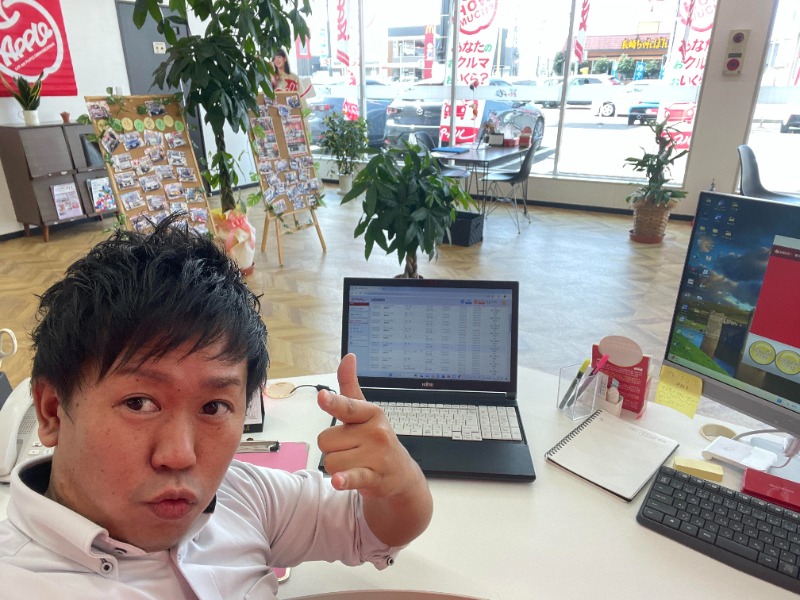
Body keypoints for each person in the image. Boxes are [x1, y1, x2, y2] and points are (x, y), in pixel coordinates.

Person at [0, 216, 433, 598]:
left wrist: (398, 479)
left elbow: (372, 527)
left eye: (213, 407)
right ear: (52, 410)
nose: (180, 455)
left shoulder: (240, 495)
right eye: (139, 403)